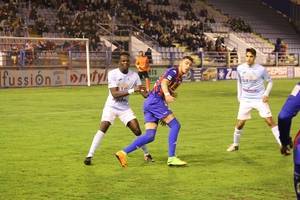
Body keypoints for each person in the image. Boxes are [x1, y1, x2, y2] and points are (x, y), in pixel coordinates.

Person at [115, 56, 194, 167]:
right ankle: (171, 158)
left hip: (151, 103)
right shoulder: (174, 71)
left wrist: (169, 94)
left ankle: (122, 153)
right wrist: (167, 95)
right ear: (180, 63)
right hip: (155, 101)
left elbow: (166, 88)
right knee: (175, 125)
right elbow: (164, 83)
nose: (188, 66)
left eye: (190, 65)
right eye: (186, 63)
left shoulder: (179, 79)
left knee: (150, 136)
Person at [84, 52, 153, 165]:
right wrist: (132, 90)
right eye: (123, 61)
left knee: (137, 130)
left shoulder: (134, 76)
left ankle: (147, 154)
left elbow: (143, 92)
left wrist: (151, 93)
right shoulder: (113, 74)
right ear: (119, 62)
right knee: (103, 127)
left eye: (127, 61)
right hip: (111, 106)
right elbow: (114, 94)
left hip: (124, 107)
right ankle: (89, 155)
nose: (125, 63)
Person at [227, 48, 281, 152]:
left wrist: (266, 94)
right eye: (247, 56)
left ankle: (282, 143)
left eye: (251, 56)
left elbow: (270, 81)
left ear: (255, 57)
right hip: (246, 100)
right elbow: (239, 82)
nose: (248, 58)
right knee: (240, 124)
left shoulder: (261, 69)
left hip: (259, 99)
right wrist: (239, 96)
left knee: (270, 121)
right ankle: (235, 144)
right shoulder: (240, 68)